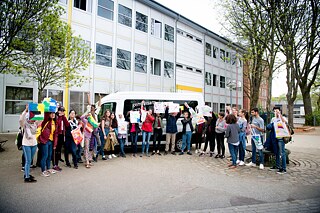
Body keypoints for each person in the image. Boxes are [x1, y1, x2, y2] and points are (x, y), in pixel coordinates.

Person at [19, 104, 38, 182]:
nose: (32, 119)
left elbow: (41, 119)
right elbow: (21, 120)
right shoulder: (24, 124)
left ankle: (27, 173)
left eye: (33, 117)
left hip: (34, 144)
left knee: (30, 161)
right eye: (30, 118)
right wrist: (26, 110)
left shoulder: (35, 123)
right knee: (28, 161)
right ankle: (27, 177)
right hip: (26, 144)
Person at [267, 107, 288, 174]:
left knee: (282, 153)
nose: (275, 112)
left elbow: (284, 122)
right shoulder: (273, 119)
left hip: (281, 138)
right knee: (276, 152)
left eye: (277, 111)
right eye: (274, 111)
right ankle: (277, 165)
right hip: (275, 137)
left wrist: (279, 115)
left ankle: (284, 168)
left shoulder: (283, 118)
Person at [38, 112, 57, 177]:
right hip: (44, 140)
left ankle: (48, 168)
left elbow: (55, 134)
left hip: (51, 141)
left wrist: (55, 144)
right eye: (51, 113)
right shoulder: (46, 121)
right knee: (45, 156)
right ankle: (43, 171)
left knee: (49, 155)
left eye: (54, 113)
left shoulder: (54, 122)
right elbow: (46, 115)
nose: (53, 114)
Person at [53, 106, 69, 172]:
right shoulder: (56, 117)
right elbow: (57, 124)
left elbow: (67, 125)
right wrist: (59, 116)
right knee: (56, 150)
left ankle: (60, 162)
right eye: (61, 111)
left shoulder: (63, 117)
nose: (62, 112)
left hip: (62, 134)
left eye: (63, 111)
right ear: (58, 111)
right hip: (57, 135)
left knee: (62, 149)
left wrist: (63, 117)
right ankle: (55, 164)